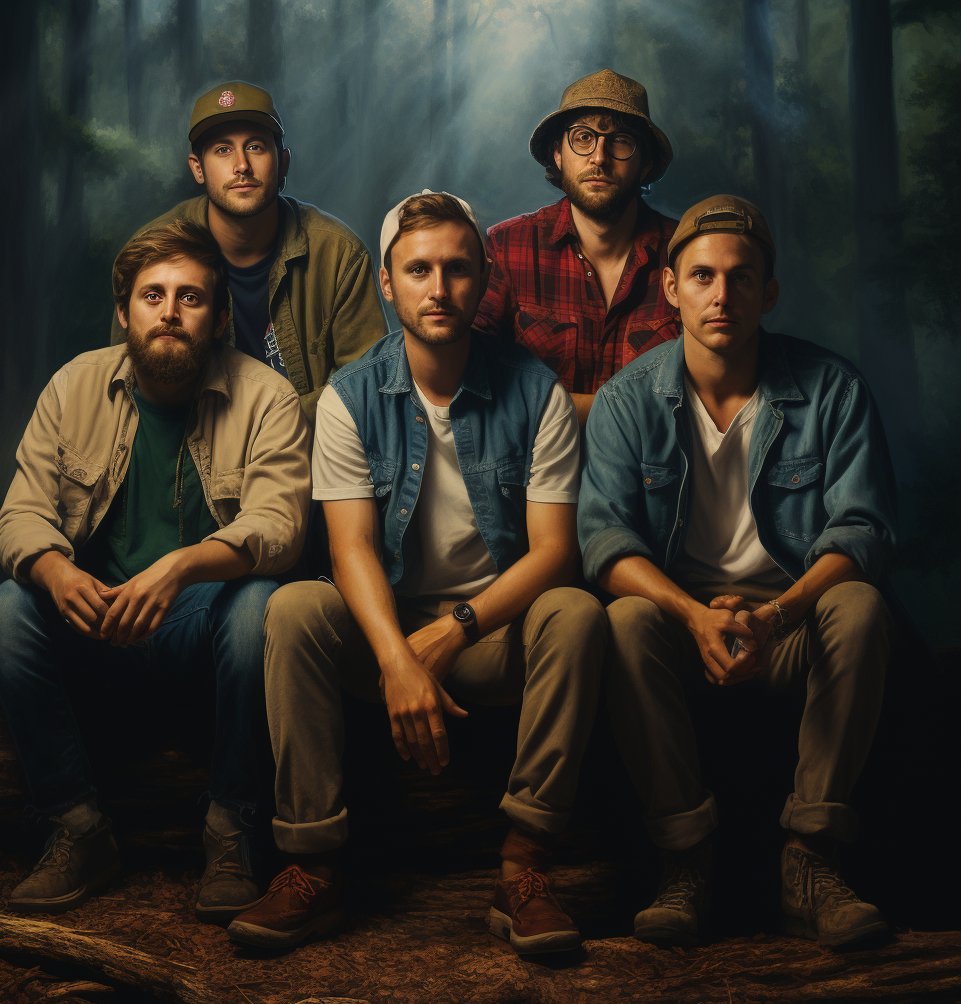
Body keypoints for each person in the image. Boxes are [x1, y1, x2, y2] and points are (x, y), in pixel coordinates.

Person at [226, 190, 607, 953]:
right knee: (295, 607)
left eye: (459, 269)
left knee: (578, 613)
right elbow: (351, 550)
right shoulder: (348, 396)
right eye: (420, 269)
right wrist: (400, 656)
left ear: (485, 279)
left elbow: (554, 552)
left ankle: (524, 867)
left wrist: (453, 633)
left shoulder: (536, 393)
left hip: (492, 634)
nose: (440, 288)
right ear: (386, 283)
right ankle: (312, 866)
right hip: (385, 634)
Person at [578, 196, 897, 948]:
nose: (722, 296)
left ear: (769, 292)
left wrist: (774, 616)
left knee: (861, 606)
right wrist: (696, 616)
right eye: (703, 277)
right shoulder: (629, 400)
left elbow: (865, 532)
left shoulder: (831, 389)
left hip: (788, 617)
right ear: (671, 288)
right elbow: (603, 541)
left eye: (742, 278)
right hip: (683, 621)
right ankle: (685, 860)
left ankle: (811, 857)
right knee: (621, 618)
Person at [0, 221, 312, 922]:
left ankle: (232, 831)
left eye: (190, 298)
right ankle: (75, 826)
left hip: (204, 624)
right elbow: (19, 516)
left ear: (219, 318)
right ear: (126, 311)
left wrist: (183, 568)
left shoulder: (266, 397)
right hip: (96, 617)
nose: (169, 312)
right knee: (7, 608)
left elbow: (280, 527)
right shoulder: (73, 385)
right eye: (153, 296)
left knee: (262, 603)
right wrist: (56, 572)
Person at [110, 81, 387, 423]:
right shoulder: (152, 253)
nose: (241, 165)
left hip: (307, 461)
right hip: (191, 458)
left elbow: (368, 383)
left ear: (282, 163)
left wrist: (266, 425)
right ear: (198, 168)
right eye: (223, 150)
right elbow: (127, 384)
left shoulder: (338, 255)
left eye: (255, 147)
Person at [475, 70, 680, 426]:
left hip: (649, 476)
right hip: (531, 473)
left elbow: (708, 392)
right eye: (583, 138)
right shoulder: (507, 248)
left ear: (645, 163)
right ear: (558, 154)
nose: (599, 157)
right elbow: (471, 379)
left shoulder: (684, 255)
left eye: (620, 141)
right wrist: (623, 413)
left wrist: (553, 408)